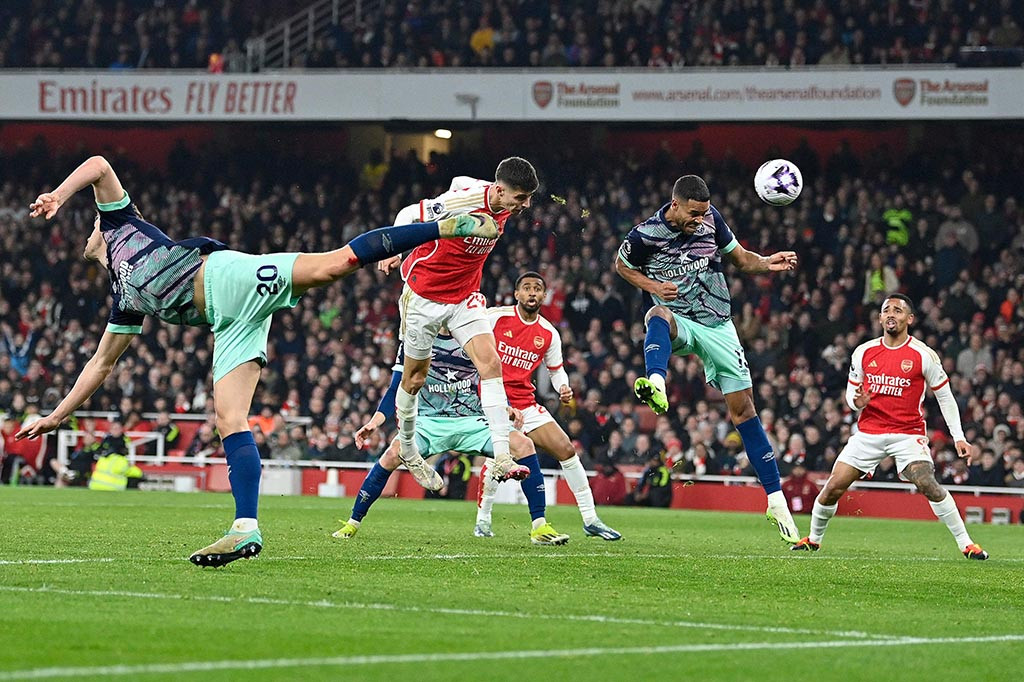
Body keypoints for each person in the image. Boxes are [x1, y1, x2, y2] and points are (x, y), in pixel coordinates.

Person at [15, 155, 500, 567]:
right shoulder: (125, 298)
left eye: (90, 223)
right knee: (228, 419)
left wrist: (59, 195)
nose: (87, 232)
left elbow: (99, 166)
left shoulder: (121, 223)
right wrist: (57, 416)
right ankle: (246, 527)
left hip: (230, 277)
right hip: (229, 324)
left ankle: (440, 228)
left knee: (334, 264)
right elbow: (100, 364)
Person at [615, 174, 802, 543]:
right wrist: (654, 287)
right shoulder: (644, 235)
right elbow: (622, 266)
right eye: (693, 213)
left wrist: (768, 262)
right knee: (656, 317)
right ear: (675, 204)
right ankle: (656, 382)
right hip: (678, 318)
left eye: (703, 213)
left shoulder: (712, 219)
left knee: (743, 410)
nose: (699, 219)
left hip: (718, 324)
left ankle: (775, 499)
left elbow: (742, 260)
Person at [377, 157, 539, 488]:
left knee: (490, 364)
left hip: (465, 298)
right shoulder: (463, 203)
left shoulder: (499, 199)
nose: (526, 205)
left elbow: (460, 175)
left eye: (528, 197)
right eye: (520, 198)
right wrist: (393, 248)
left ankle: (502, 455)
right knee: (414, 379)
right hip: (424, 297)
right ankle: (409, 450)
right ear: (499, 190)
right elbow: (411, 213)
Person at [792, 294, 989, 560]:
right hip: (869, 433)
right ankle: (813, 540)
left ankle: (967, 544)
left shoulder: (923, 355)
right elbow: (852, 397)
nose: (891, 314)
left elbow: (945, 396)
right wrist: (856, 401)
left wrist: (959, 437)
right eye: (886, 310)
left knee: (926, 482)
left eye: (897, 310)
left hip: (907, 434)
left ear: (910, 319)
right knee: (833, 487)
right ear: (880, 317)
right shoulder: (864, 352)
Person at [334, 332, 569, 546]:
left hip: (472, 420)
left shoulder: (476, 335)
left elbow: (491, 378)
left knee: (524, 445)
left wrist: (506, 407)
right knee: (392, 455)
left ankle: (539, 527)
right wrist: (374, 422)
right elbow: (397, 386)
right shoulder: (415, 337)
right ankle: (353, 522)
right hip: (429, 422)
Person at [477, 272, 622, 540]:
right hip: (493, 402)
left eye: (537, 289)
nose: (532, 293)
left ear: (544, 296)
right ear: (516, 294)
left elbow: (556, 370)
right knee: (499, 458)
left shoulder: (548, 333)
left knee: (566, 449)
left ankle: (590, 519)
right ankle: (483, 519)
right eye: (527, 288)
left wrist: (563, 387)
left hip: (526, 403)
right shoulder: (495, 317)